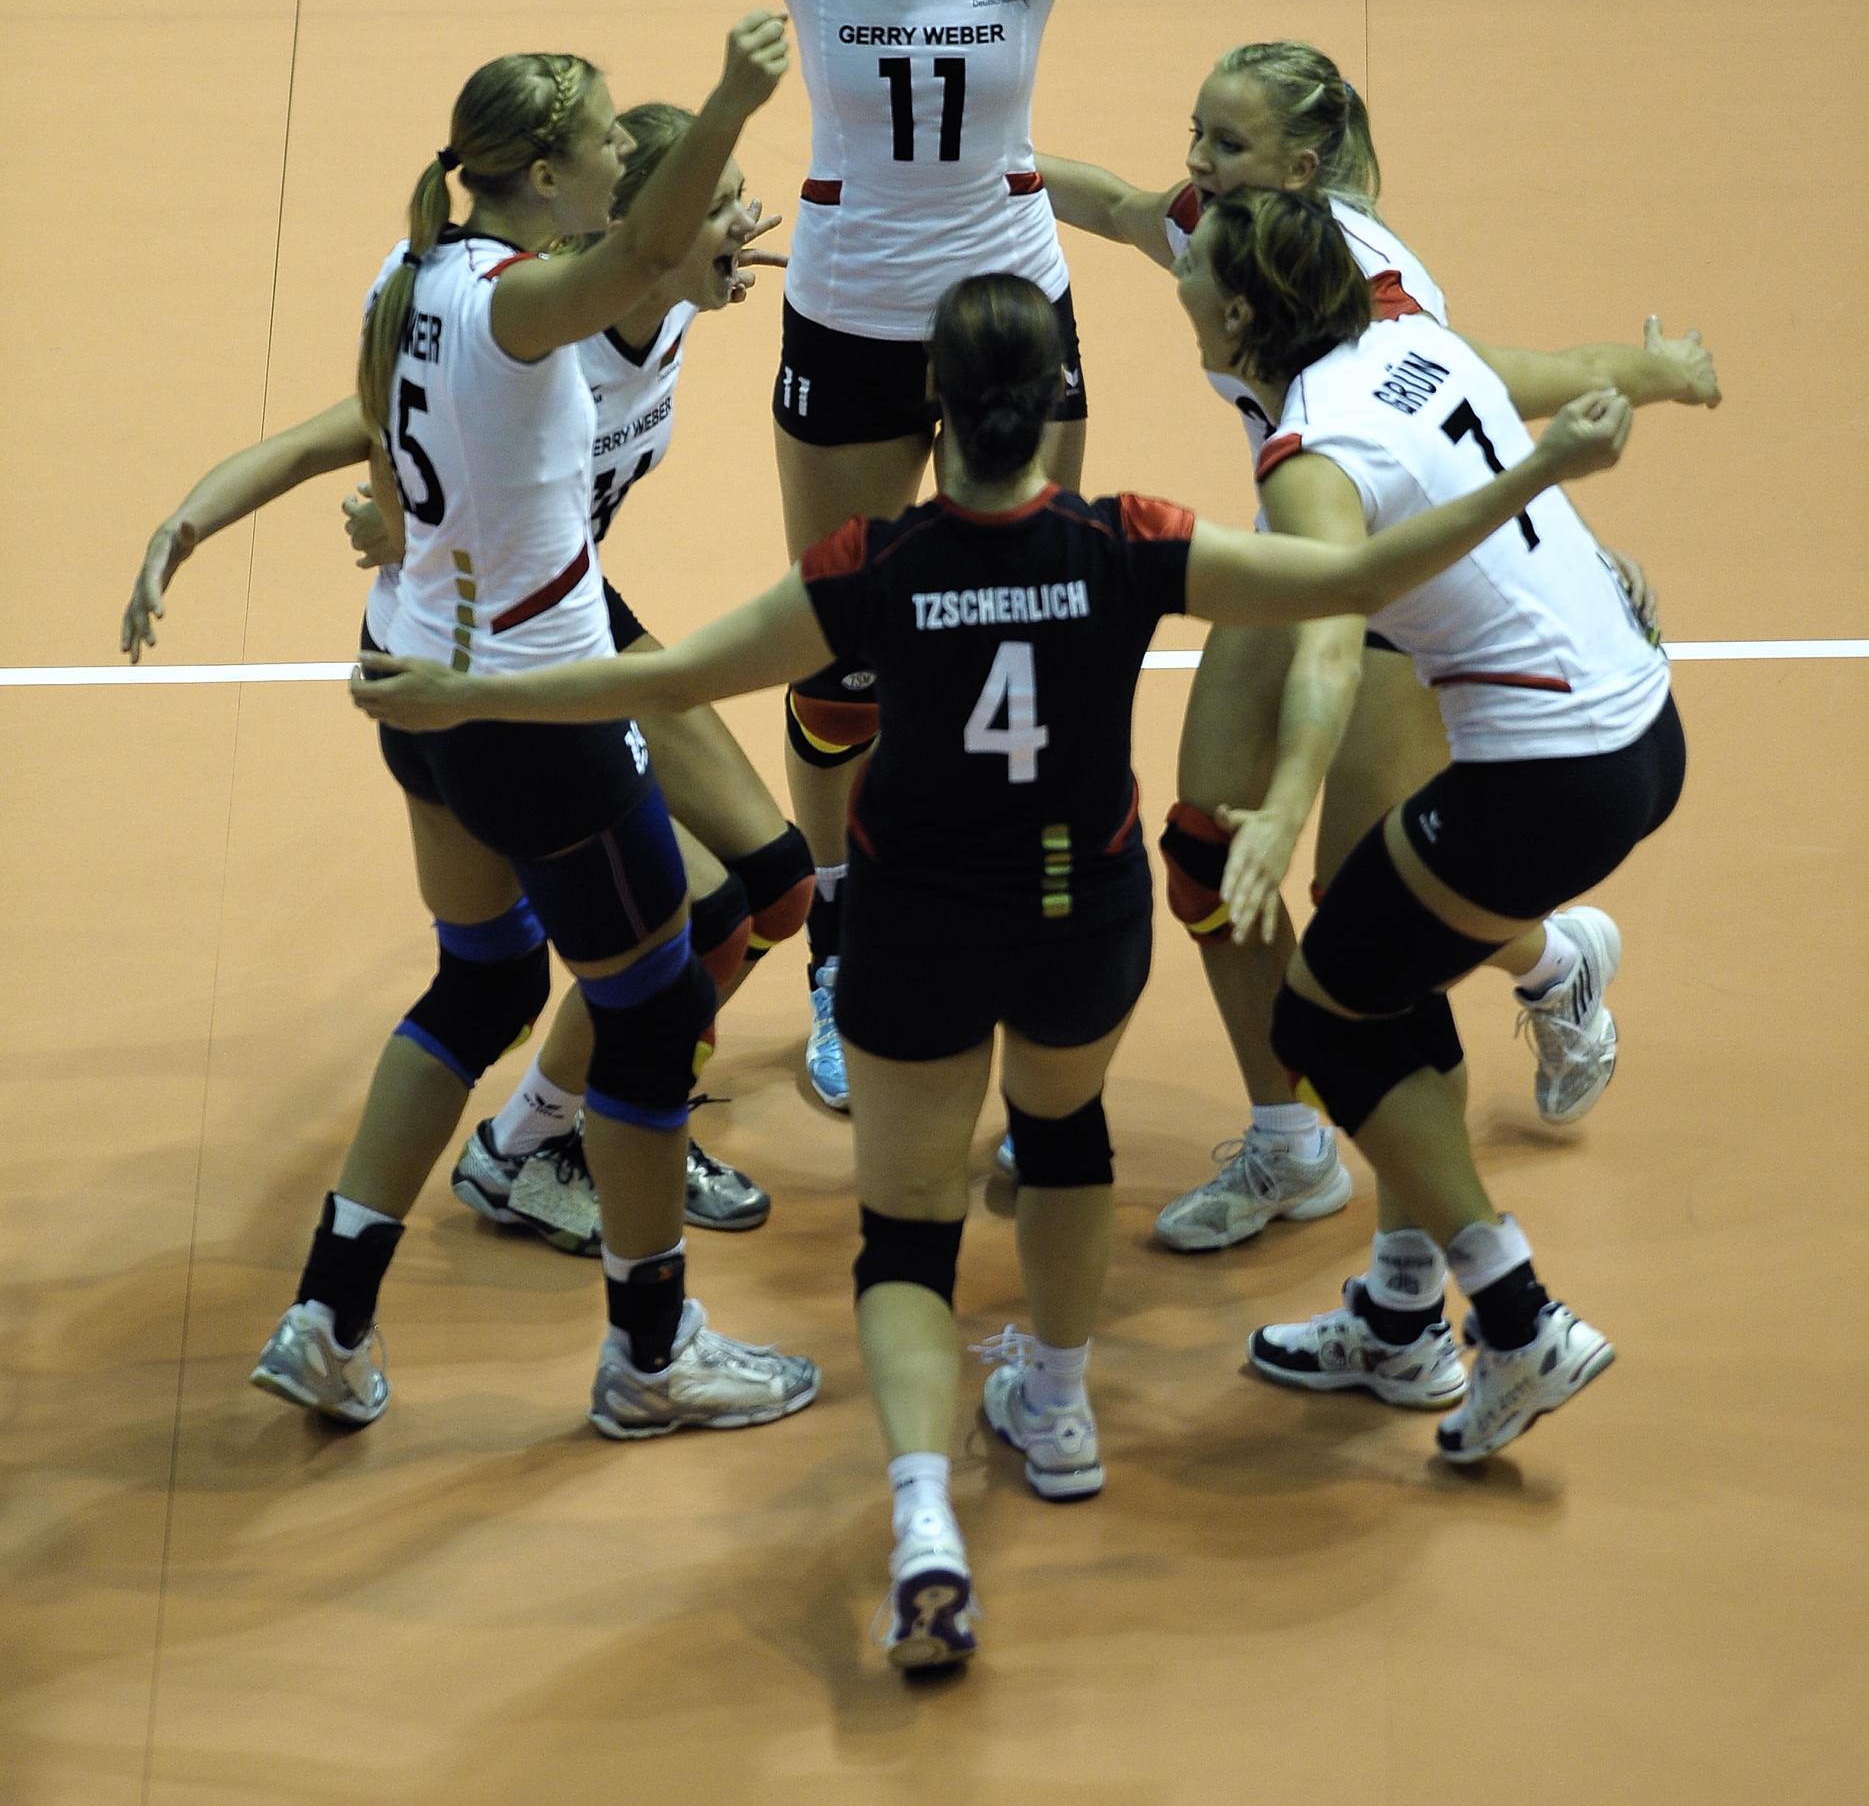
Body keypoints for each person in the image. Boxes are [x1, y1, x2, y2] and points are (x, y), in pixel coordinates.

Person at [228, 0, 1609, 1103]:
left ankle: (1036, 930)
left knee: (1047, 622)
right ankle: (843, 948)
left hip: (1011, 315)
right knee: (841, 663)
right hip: (851, 318)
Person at [351, 269, 1635, 1666]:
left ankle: (923, 1523)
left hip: (915, 927)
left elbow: (662, 681)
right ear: (1047, 406)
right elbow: (1358, 578)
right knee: (1064, 1136)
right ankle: (1061, 1412)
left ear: (936, 406)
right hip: (1082, 914)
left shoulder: (871, 563)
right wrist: (1543, 466)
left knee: (908, 1232)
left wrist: (467, 690)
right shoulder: (1128, 538)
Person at [251, 11, 824, 1443]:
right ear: (591, 202)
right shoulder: (544, 307)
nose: (737, 228)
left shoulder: (474, 276)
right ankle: (645, 1341)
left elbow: (435, 417)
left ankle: (335, 1305)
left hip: (466, 659)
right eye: (703, 204)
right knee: (658, 1002)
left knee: (539, 965)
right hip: (528, 681)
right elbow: (408, 417)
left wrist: (235, 518)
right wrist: (735, 96)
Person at [1038, 40, 1718, 1247]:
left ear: (1304, 169)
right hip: (1304, 544)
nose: (1198, 163)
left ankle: (1545, 977)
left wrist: (1613, 453)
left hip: (1401, 580)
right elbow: (1119, 205)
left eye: (1229, 144)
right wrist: (967, 162)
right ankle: (1290, 1147)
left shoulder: (1368, 292)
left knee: (1362, 905)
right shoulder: (1209, 229)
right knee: (1207, 856)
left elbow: (1489, 388)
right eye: (1197, 134)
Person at [121, 108, 810, 1245]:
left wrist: (713, 265)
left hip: (576, 608)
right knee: (707, 921)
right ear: (641, 231)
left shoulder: (672, 304)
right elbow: (339, 436)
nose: (746, 220)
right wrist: (239, 523)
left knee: (779, 885)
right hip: (495, 652)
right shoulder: (537, 337)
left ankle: (561, 1126)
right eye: (720, 202)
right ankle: (558, 1139)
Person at [1163, 191, 1689, 1459]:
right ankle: (1403, 1318)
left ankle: (1517, 1319)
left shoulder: (1311, 460)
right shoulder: (1409, 339)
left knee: (1316, 1017)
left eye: (1200, 273)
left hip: (1546, 774)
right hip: (1640, 729)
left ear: (1246, 312)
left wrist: (1284, 804)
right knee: (1383, 982)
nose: (1181, 284)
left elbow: (1329, 648)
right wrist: (1658, 379)